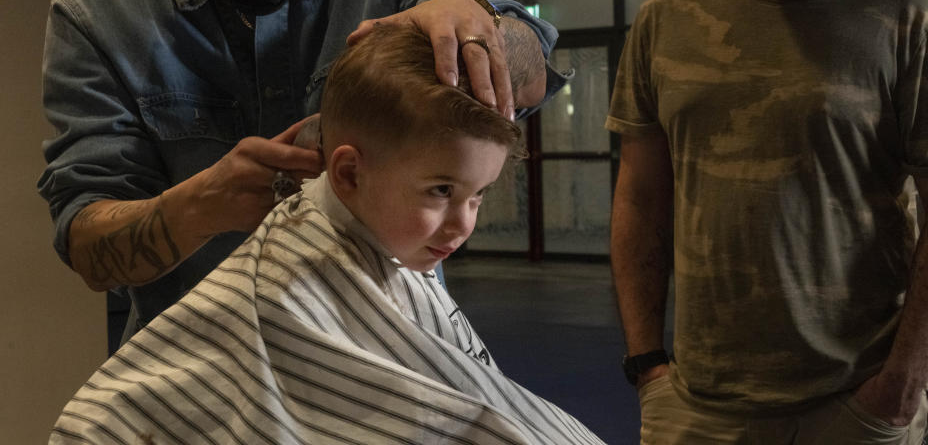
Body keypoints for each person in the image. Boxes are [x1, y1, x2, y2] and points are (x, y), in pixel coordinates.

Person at [38, 0, 564, 342]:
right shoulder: (98, 13)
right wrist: (204, 203)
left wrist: (477, 25)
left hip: (391, 355)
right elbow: (89, 250)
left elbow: (533, 76)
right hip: (202, 374)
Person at [49, 23, 604, 445]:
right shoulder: (284, 284)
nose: (465, 223)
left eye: (478, 195)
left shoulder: (393, 243)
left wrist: (476, 12)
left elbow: (529, 55)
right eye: (441, 191)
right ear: (347, 174)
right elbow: (104, 421)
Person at [606, 0, 928, 443]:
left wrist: (902, 384)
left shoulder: (911, 14)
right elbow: (639, 195)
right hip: (695, 403)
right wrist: (646, 362)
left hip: (855, 397)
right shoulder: (666, 17)